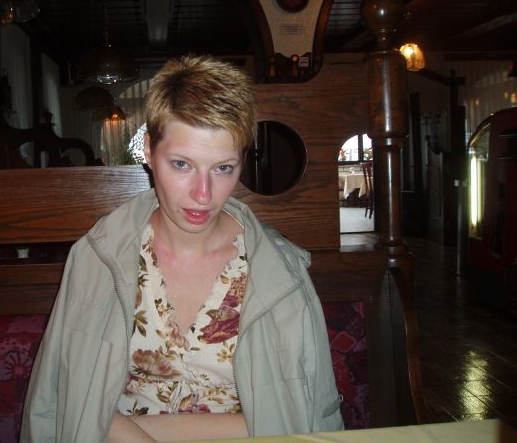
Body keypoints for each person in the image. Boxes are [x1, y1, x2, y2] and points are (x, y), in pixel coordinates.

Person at [20, 55, 344, 443]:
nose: (203, 195)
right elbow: (59, 402)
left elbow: (308, 416)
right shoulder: (95, 259)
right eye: (181, 164)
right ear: (148, 150)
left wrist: (129, 428)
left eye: (223, 168)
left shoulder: (282, 274)